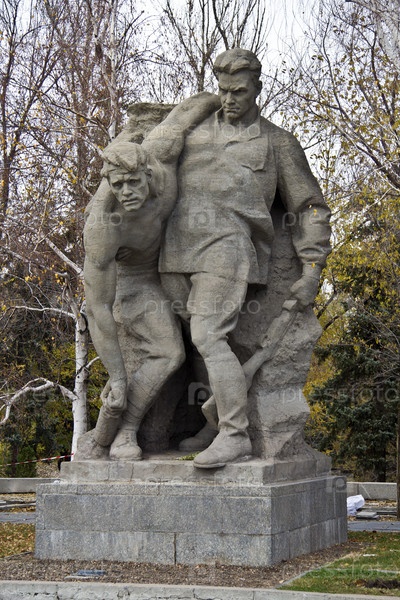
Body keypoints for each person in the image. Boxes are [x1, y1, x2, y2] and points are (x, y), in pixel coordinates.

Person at [159, 48, 332, 469]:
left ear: (257, 89)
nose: (229, 99)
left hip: (229, 248)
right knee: (200, 343)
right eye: (223, 90)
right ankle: (215, 420)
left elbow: (310, 206)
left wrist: (312, 268)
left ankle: (235, 434)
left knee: (208, 335)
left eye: (238, 91)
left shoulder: (278, 142)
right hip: (174, 252)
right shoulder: (194, 130)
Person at [77, 93, 220, 461]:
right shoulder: (103, 226)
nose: (125, 192)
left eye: (132, 182)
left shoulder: (161, 155)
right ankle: (126, 430)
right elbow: (98, 308)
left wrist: (229, 101)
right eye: (117, 185)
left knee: (213, 334)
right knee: (168, 352)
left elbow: (189, 110)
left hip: (180, 261)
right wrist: (117, 377)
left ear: (148, 173)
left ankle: (222, 424)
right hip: (136, 279)